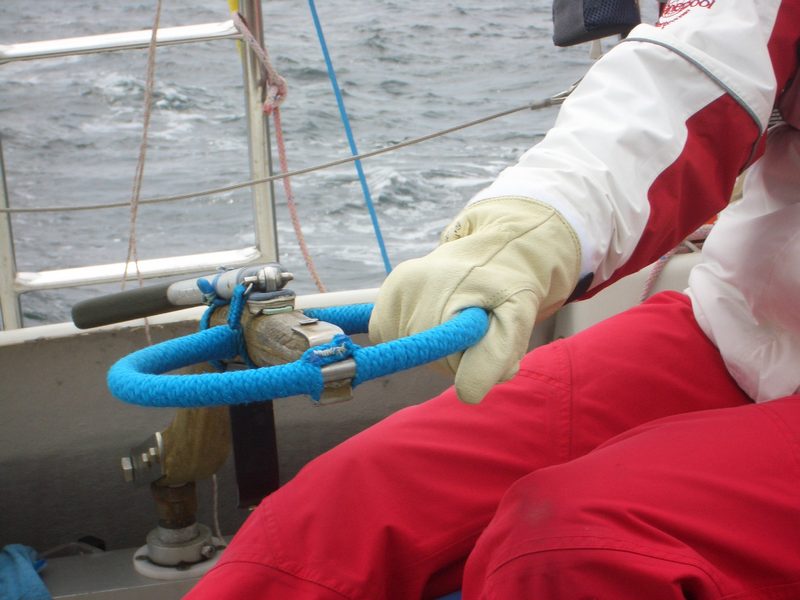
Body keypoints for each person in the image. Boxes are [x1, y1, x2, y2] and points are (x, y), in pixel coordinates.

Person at [186, 0, 800, 597]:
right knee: (338, 509)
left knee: (575, 552)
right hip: (740, 324)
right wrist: (530, 232)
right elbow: (694, 72)